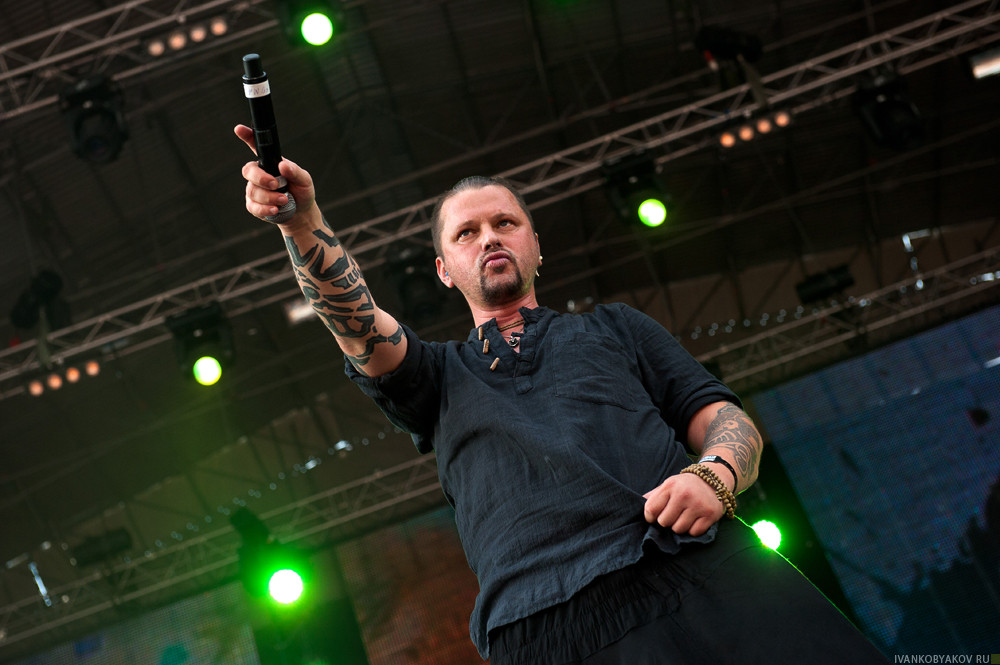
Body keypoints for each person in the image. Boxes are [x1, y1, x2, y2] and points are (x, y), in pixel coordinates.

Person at [235, 124, 890, 664]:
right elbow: (355, 321)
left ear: (535, 245)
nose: (489, 236)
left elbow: (726, 418)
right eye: (466, 232)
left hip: (698, 564)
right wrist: (302, 222)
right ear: (443, 270)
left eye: (505, 222)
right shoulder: (434, 374)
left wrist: (716, 474)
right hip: (543, 627)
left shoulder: (617, 328)